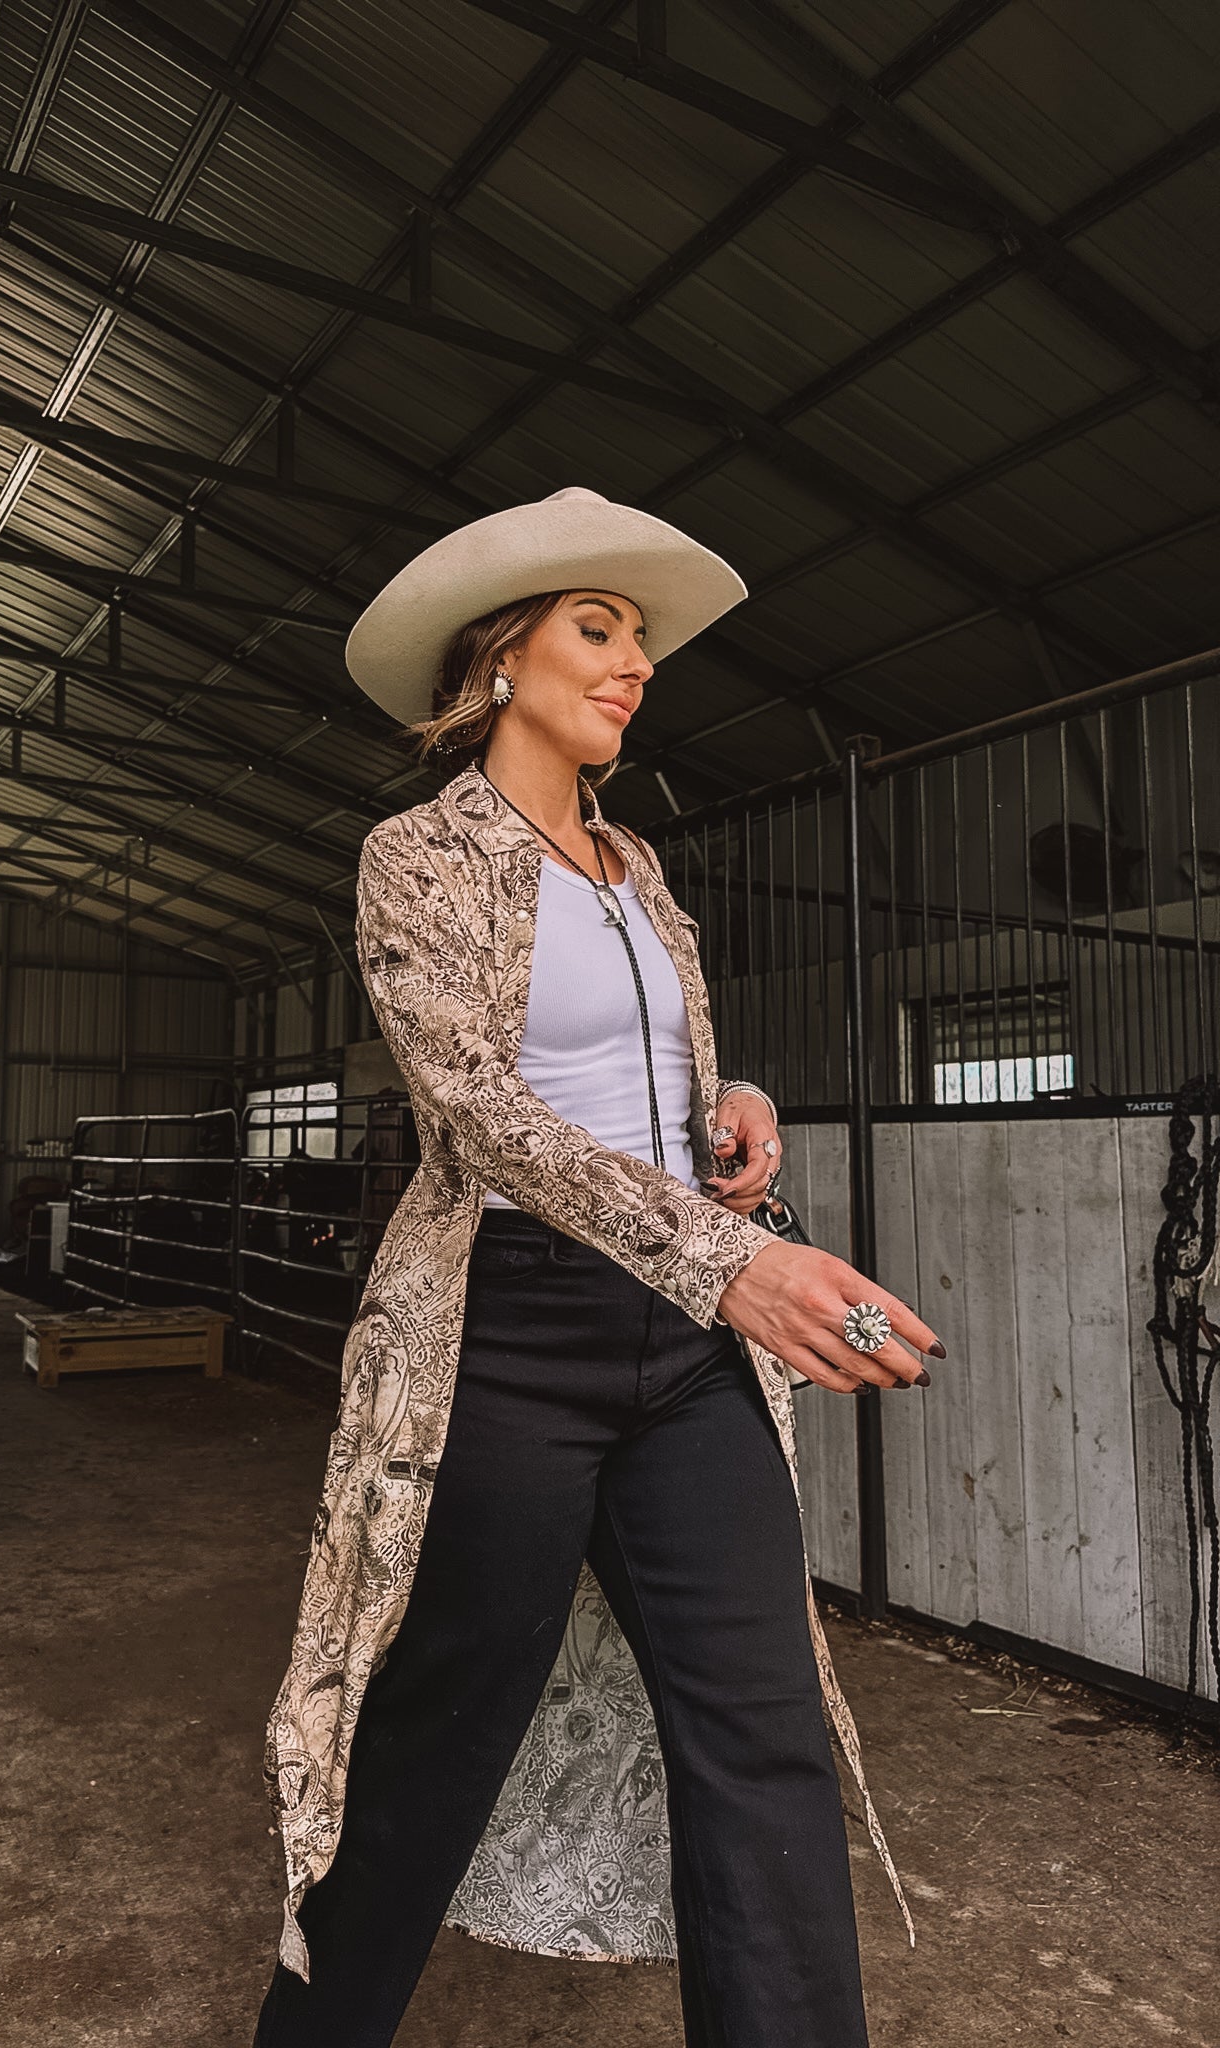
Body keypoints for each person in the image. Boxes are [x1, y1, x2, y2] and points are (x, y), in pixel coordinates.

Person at [252, 487, 944, 2046]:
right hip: (514, 1339)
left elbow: (653, 1086)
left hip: (685, 1349)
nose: (635, 665)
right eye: (598, 628)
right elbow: (480, 1114)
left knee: (765, 1738)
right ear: (503, 657)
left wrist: (735, 1111)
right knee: (438, 1734)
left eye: (641, 643)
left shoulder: (640, 873)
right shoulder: (416, 859)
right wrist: (728, 1264)